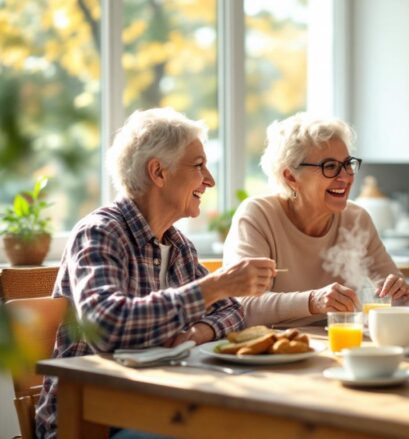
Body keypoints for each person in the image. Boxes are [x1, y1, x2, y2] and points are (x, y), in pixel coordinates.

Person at [36, 108, 278, 438]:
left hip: (162, 404)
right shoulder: (100, 232)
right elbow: (106, 324)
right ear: (158, 172)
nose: (210, 180)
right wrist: (212, 288)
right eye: (198, 166)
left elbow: (232, 312)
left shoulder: (178, 246)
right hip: (93, 421)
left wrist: (196, 334)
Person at [223, 112, 409, 327]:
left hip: (339, 346)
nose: (345, 177)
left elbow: (396, 297)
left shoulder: (356, 219)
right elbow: (242, 306)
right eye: (330, 166)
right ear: (291, 177)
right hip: (274, 351)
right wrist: (313, 301)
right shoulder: (258, 215)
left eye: (347, 164)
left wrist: (399, 295)